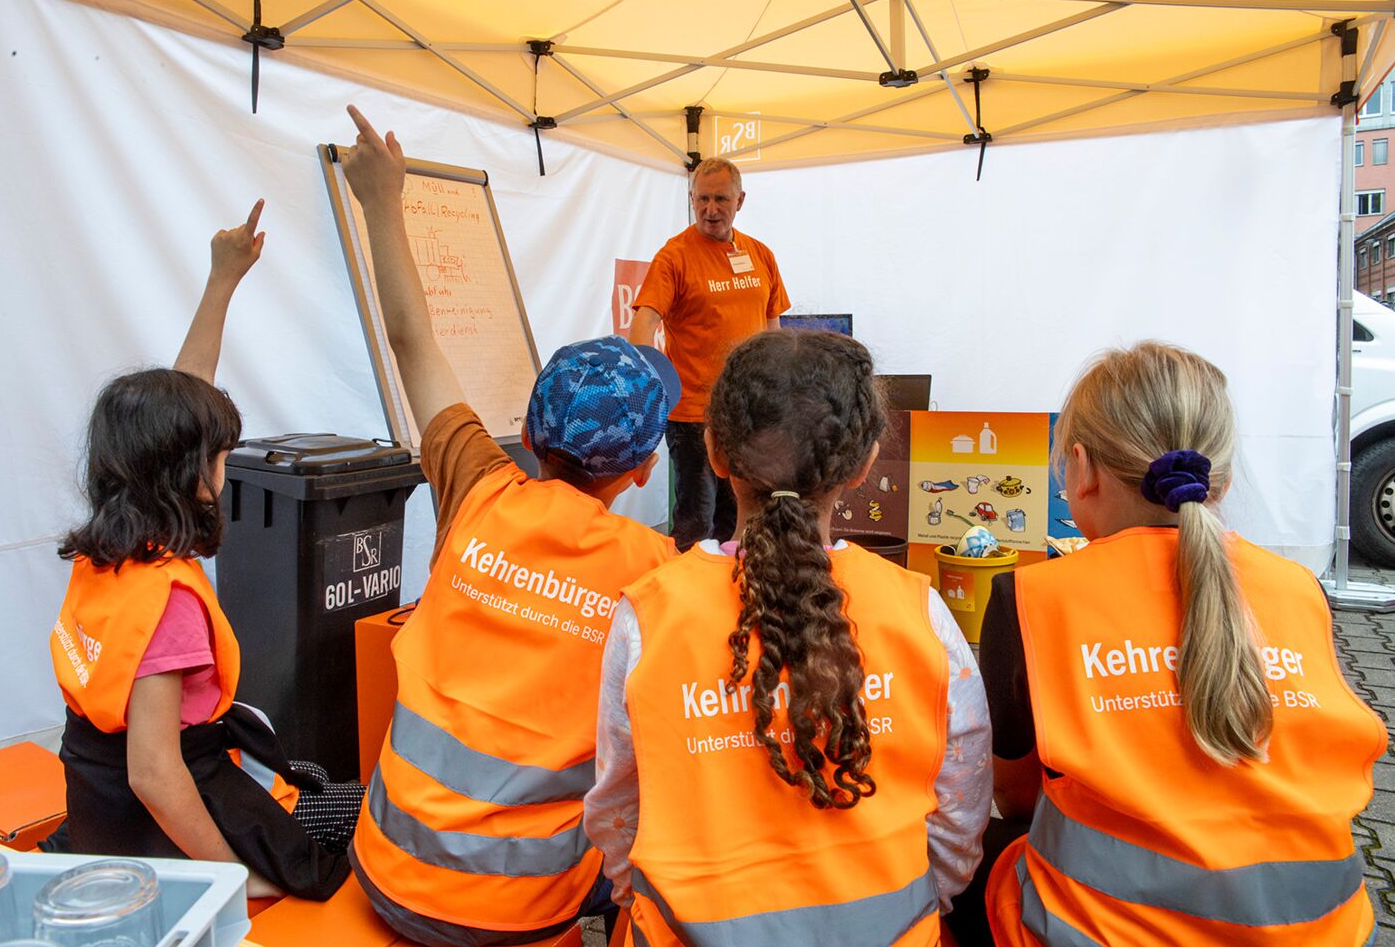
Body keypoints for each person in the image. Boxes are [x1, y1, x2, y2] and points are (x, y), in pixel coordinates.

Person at [339, 106, 681, 947]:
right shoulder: (660, 574)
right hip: (521, 915)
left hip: (383, 869)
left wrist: (382, 202)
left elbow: (411, 342)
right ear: (644, 468)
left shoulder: (477, 487)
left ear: (527, 436)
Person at [585, 329, 991, 946]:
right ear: (863, 463)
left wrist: (636, 899)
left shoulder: (647, 617)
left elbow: (618, 809)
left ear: (715, 452)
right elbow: (960, 812)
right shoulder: (922, 615)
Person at [980, 342, 1387, 946]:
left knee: (959, 850)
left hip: (1094, 931)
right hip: (1326, 929)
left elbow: (1014, 799)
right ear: (1217, 480)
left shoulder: (1031, 598)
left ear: (1082, 469)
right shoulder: (1300, 590)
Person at [49, 201, 356, 900]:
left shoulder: (111, 552)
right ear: (194, 473)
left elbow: (178, 413)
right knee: (353, 817)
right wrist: (231, 877)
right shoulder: (167, 605)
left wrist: (222, 282)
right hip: (162, 830)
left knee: (310, 787)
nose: (225, 469)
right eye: (220, 456)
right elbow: (155, 772)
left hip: (100, 811)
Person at [629, 156, 790, 551]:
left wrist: (779, 390)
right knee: (696, 520)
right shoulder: (675, 256)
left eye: (720, 199)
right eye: (702, 199)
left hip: (748, 413)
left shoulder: (760, 254)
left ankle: (733, 594)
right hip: (692, 415)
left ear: (741, 201)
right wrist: (642, 383)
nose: (710, 209)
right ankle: (686, 602)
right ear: (691, 198)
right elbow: (645, 320)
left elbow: (773, 327)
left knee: (740, 518)